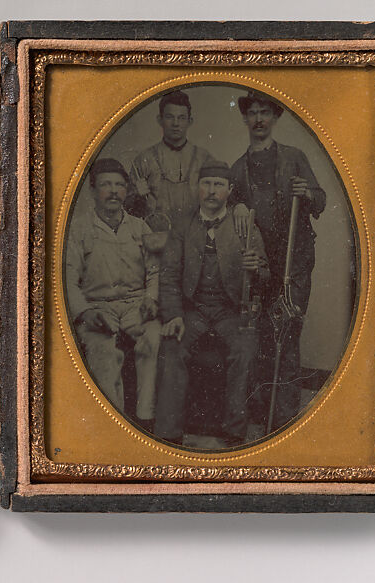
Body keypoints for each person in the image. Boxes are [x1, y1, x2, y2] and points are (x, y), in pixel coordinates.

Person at [229, 91, 325, 433]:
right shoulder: (238, 169)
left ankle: (284, 418)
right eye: (252, 113)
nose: (258, 119)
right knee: (264, 337)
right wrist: (237, 205)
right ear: (244, 119)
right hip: (262, 267)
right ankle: (261, 413)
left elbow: (321, 200)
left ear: (274, 118)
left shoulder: (294, 158)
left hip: (294, 264)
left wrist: (308, 194)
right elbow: (230, 215)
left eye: (264, 113)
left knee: (288, 331)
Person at [154, 160, 269, 446]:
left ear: (230, 190)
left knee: (244, 351)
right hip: (193, 310)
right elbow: (168, 276)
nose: (211, 191)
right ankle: (168, 434)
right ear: (197, 187)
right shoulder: (183, 225)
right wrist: (174, 316)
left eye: (219, 185)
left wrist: (256, 269)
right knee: (171, 345)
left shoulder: (245, 224)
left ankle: (234, 432)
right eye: (206, 184)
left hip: (231, 312)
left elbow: (266, 276)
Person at [64, 158, 161, 419]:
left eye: (120, 185)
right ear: (93, 190)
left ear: (127, 191)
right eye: (106, 185)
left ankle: (144, 420)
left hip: (135, 305)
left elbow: (154, 272)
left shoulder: (140, 227)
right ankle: (113, 422)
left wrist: (151, 299)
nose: (114, 191)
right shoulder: (79, 229)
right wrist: (84, 312)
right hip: (97, 308)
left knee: (152, 339)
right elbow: (68, 277)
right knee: (103, 353)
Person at [129, 89, 249, 240]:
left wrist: (239, 206)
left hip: (195, 240)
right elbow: (127, 212)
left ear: (190, 121)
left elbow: (225, 192)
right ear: (160, 120)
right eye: (169, 117)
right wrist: (137, 197)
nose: (175, 124)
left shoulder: (204, 159)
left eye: (181, 118)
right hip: (155, 239)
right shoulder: (143, 160)